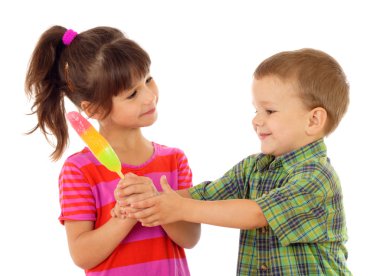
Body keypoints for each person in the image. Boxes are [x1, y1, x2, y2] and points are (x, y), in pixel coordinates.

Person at [114, 48, 351, 275]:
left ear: (313, 120)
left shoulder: (317, 178)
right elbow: (204, 195)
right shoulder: (253, 168)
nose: (257, 120)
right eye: (255, 110)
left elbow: (256, 215)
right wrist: (150, 198)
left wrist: (181, 208)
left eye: (269, 111)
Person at [25, 25, 200, 275]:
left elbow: (190, 238)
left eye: (148, 79)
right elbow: (82, 255)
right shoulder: (79, 171)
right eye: (132, 94)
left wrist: (155, 203)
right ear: (94, 109)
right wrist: (126, 215)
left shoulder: (174, 160)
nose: (149, 96)